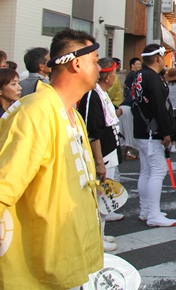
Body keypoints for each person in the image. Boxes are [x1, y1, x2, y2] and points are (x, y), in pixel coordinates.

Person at [0, 29, 103, 289]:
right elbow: (4, 187)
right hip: (37, 265)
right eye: (94, 61)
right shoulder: (35, 112)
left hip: (67, 255)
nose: (99, 68)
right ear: (76, 63)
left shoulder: (73, 114)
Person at [78, 57, 123, 251]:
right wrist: (98, 161)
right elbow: (92, 131)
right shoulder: (92, 95)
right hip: (102, 153)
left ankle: (101, 232)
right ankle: (95, 238)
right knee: (99, 196)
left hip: (110, 151)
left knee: (105, 195)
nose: (115, 77)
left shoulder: (102, 94)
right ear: (107, 77)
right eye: (114, 74)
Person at [131, 43, 176, 227]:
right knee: (158, 170)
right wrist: (166, 132)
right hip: (153, 131)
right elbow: (159, 106)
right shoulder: (153, 78)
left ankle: (146, 210)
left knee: (146, 171)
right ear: (158, 58)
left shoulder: (139, 75)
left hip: (141, 129)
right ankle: (154, 214)